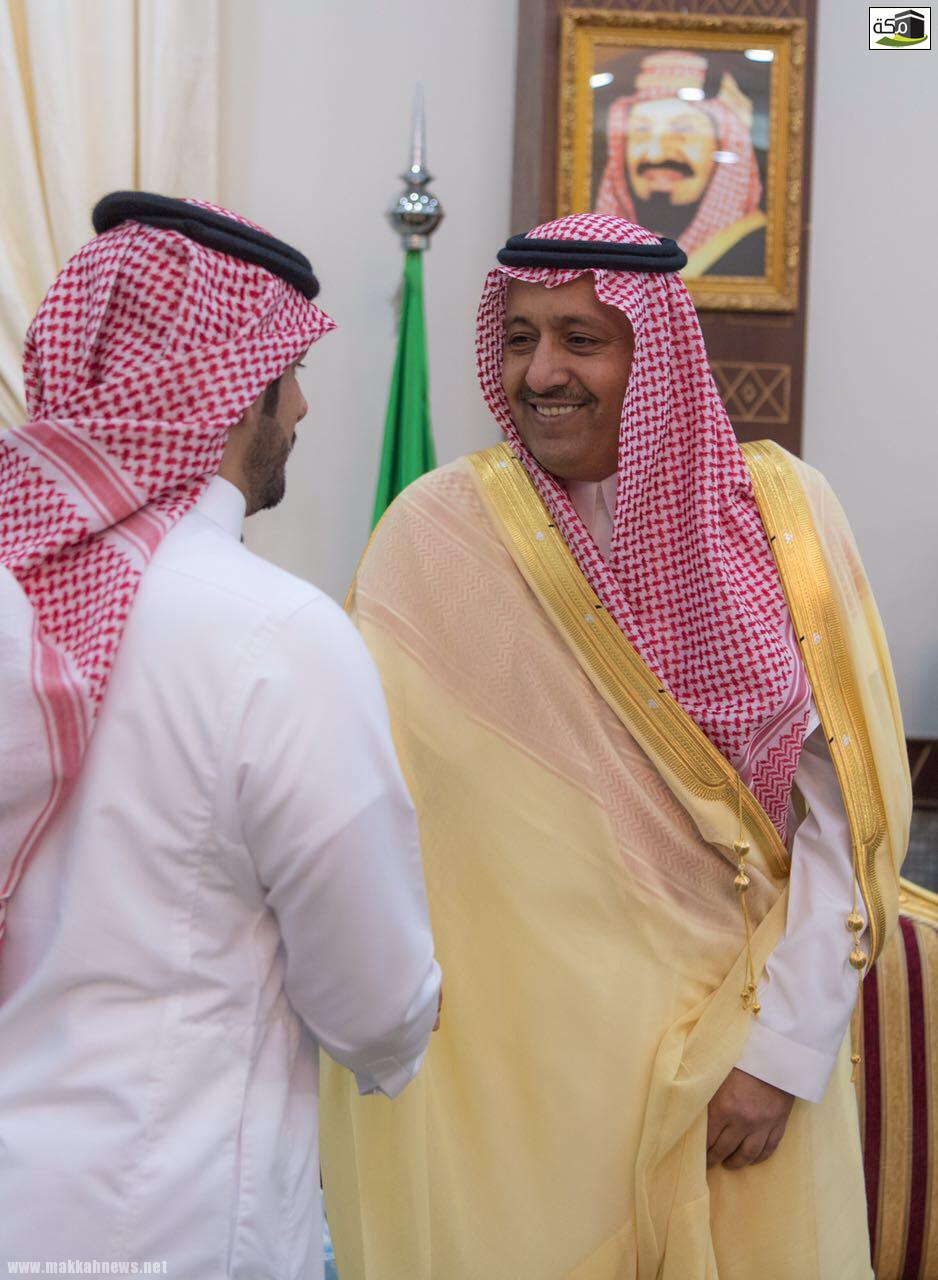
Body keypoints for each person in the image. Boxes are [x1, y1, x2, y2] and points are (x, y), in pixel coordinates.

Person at [319, 214, 911, 1279]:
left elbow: (845, 813)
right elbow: (356, 814)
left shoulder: (782, 516)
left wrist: (784, 1050)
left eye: (580, 339)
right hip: (517, 1093)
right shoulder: (435, 535)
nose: (541, 372)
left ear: (658, 354)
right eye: (518, 338)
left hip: (739, 1058)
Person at [0, 192, 441, 1279]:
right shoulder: (275, 634)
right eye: (292, 372)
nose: (303, 406)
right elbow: (374, 1001)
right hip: (160, 1223)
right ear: (233, 387)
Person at [595, 50, 766, 277]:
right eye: (641, 131)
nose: (656, 154)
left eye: (684, 130)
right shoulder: (600, 247)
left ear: (724, 143)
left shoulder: (755, 246)